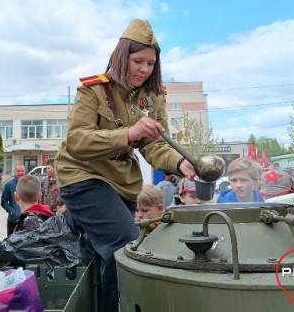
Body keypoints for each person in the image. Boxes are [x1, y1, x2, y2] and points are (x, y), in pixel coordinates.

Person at [55, 19, 196, 312]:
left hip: (122, 182)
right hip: (82, 175)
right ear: (122, 58)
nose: (144, 69)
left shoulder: (153, 97)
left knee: (108, 253)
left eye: (151, 63)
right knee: (126, 245)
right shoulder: (93, 91)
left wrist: (180, 163)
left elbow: (156, 145)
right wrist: (129, 134)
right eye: (138, 61)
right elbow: (77, 141)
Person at [1, 164, 26, 235]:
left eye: (22, 171)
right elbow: (4, 201)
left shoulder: (28, 183)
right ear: (14, 172)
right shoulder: (9, 185)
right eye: (18, 171)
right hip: (13, 220)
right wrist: (10, 211)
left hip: (27, 219)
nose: (21, 173)